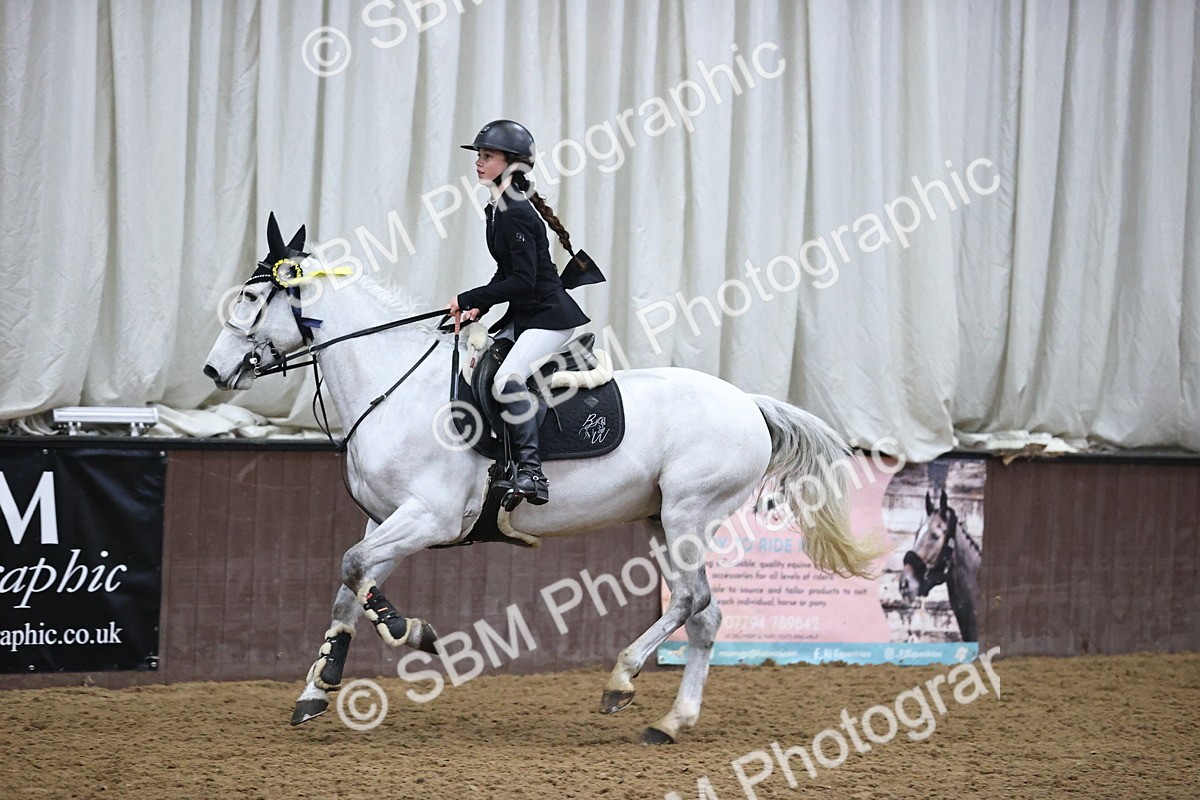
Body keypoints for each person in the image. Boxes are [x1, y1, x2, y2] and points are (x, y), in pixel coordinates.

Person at [448, 120, 590, 506]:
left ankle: (532, 472)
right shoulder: (496, 209)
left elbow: (525, 281)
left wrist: (468, 295)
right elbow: (506, 272)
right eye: (478, 155)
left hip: (550, 317)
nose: (478, 162)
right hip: (526, 315)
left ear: (511, 165)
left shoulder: (516, 212)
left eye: (487, 156)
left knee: (507, 380)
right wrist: (482, 302)